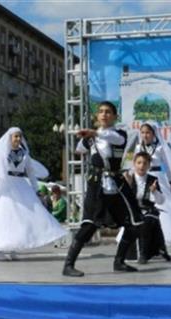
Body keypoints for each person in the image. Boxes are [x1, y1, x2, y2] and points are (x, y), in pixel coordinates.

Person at [62, 101, 144, 277]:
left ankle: (119, 261)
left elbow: (115, 140)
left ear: (115, 116)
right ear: (97, 116)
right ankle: (68, 265)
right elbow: (79, 150)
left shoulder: (120, 134)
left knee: (135, 222)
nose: (104, 115)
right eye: (100, 112)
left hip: (116, 183)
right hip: (97, 184)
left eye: (108, 112)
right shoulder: (91, 137)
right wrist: (88, 138)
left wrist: (94, 133)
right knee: (89, 225)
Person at [0, 127, 67, 261]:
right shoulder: (3, 153)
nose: (18, 139)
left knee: (20, 218)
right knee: (3, 218)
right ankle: (0, 249)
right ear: (10, 138)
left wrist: (37, 190)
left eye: (20, 137)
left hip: (21, 185)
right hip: (5, 187)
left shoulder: (25, 154)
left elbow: (30, 173)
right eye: (16, 137)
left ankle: (13, 248)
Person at [124, 152, 170, 264]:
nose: (142, 166)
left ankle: (144, 254)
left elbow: (161, 201)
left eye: (145, 163)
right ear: (134, 164)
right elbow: (123, 199)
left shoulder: (152, 180)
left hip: (148, 211)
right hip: (133, 212)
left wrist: (154, 191)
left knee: (146, 221)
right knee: (135, 222)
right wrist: (128, 185)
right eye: (139, 163)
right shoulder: (129, 178)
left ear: (149, 165)